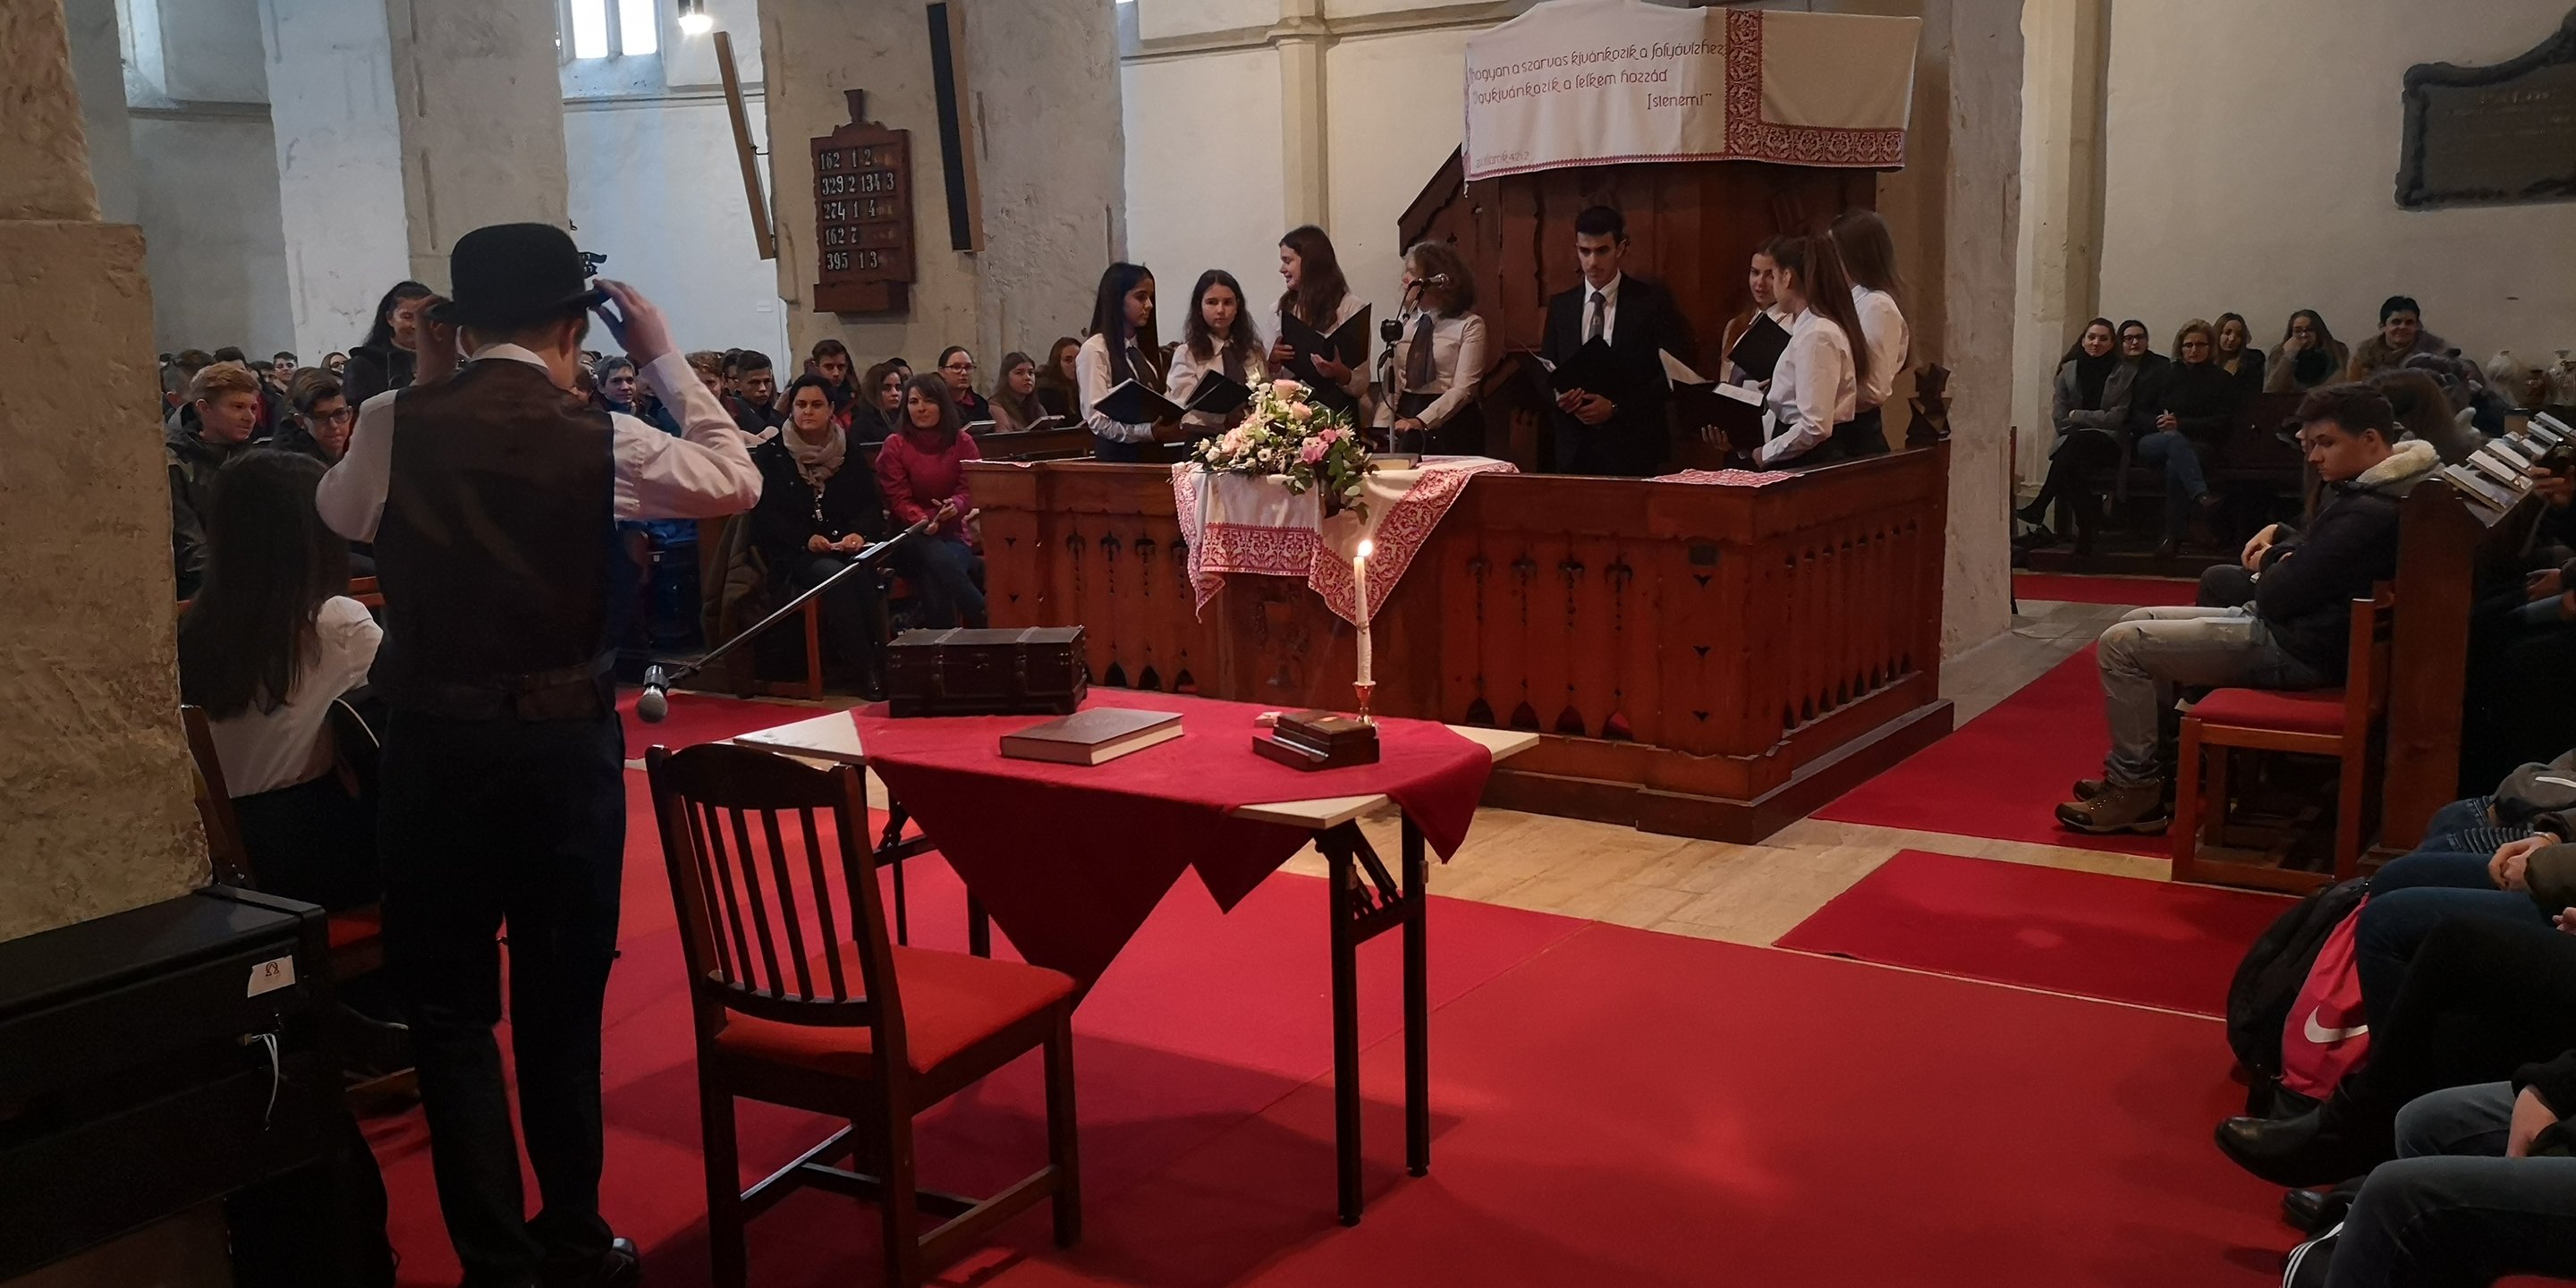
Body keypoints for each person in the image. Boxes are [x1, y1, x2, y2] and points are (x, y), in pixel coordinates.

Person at [314, 224, 758, 1288]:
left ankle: (497, 1263)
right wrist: (663, 357)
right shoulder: (601, 432)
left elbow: (341, 510)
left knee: (449, 1012)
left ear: (459, 327)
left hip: (435, 749)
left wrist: (423, 383)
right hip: (561, 748)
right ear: (575, 326)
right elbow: (735, 481)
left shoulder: (394, 418)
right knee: (562, 1002)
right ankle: (573, 1238)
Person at [2057, 385, 2439, 833]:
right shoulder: (2378, 489)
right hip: (2298, 631)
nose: (2314, 457)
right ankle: (2157, 775)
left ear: (2371, 439)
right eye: (2312, 443)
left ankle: (2135, 789)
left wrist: (2273, 560)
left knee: (2121, 645)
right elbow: (2312, 550)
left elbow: (2277, 594)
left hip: (2298, 649)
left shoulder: (2370, 510)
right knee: (2133, 621)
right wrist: (2286, 547)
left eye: (2326, 443)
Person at [750, 374, 889, 694]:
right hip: (795, 553)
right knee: (834, 575)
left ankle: (883, 661)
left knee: (861, 571)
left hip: (845, 546)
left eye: (816, 405)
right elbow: (766, 516)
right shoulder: (774, 454)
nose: (807, 412)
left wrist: (857, 533)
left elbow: (869, 504)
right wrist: (805, 539)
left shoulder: (847, 450)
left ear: (831, 410)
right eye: (800, 405)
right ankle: (865, 667)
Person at [1537, 206, 1690, 476]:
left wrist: (1616, 407)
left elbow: (1674, 373)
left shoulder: (1650, 303)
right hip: (1575, 446)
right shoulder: (1562, 306)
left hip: (1633, 444)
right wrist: (1560, 397)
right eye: (1585, 251)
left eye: (1602, 251)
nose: (1592, 262)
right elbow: (1548, 368)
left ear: (1621, 248)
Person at [1751, 233, 1875, 470]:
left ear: (1787, 277)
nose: (1772, 286)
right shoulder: (1809, 328)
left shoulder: (1818, 334)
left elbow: (1815, 425)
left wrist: (1766, 453)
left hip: (1813, 458)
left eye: (1773, 276)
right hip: (1803, 450)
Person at [876, 374, 987, 629]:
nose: (921, 408)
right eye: (913, 402)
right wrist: (925, 521)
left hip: (953, 534)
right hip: (909, 536)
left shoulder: (962, 442)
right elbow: (898, 499)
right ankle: (981, 612)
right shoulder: (895, 445)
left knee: (936, 573)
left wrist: (955, 506)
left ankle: (940, 645)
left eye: (928, 401)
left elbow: (970, 489)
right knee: (932, 553)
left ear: (942, 405)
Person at [2019, 318, 2134, 552]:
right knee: (2074, 467)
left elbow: (2115, 418)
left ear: (2112, 343)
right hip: (2073, 440)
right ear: (2083, 340)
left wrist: (2078, 415)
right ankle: (2086, 534)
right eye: (2091, 337)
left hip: (2108, 442)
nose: (2096, 343)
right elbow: (2060, 419)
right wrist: (2088, 418)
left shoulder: (2125, 373)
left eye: (2103, 339)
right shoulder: (2068, 371)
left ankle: (2042, 503)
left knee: (2074, 448)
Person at [2131, 319, 2235, 558]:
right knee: (2173, 441)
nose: (2194, 350)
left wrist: (2182, 424)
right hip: (2154, 442)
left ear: (2210, 347)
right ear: (2180, 347)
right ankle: (2200, 496)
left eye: (2200, 345)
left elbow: (2223, 421)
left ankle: (2171, 535)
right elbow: (2137, 412)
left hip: (2199, 444)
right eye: (2188, 345)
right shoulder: (2162, 374)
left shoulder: (2221, 379)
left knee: (2174, 464)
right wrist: (2157, 422)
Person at [1377, 242, 1487, 455]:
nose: (1404, 279)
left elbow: (1463, 389)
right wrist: (1380, 430)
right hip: (1407, 412)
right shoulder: (1405, 323)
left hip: (1451, 422)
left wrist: (1421, 421)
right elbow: (1394, 385)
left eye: (1412, 272)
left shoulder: (1469, 325)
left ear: (1435, 279)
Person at [169, 361, 266, 598]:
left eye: (253, 408)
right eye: (237, 407)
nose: (249, 417)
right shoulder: (178, 465)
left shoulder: (259, 460)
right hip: (209, 591)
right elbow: (190, 548)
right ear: (204, 408)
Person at [1268, 225, 1369, 418]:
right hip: (1292, 413)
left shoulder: (1351, 307)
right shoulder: (1279, 310)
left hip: (1339, 412)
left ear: (1310, 262)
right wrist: (1273, 362)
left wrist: (1339, 372)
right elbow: (1273, 382)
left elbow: (1361, 383)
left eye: (1287, 261)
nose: (1282, 269)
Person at [1830, 209, 1911, 446]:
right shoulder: (1850, 300)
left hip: (1855, 437)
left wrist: (1820, 398)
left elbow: (1875, 390)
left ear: (1855, 255)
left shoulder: (1877, 306)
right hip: (1840, 429)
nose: (1828, 260)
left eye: (1833, 251)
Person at [1077, 261, 1168, 462]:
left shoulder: (1143, 349)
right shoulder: (1096, 349)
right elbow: (1096, 418)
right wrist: (1145, 431)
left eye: (1150, 297)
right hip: (1118, 461)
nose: (1149, 305)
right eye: (1141, 297)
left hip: (1153, 455)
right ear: (1117, 299)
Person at [1168, 269, 1267, 440]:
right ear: (1199, 307)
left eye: (1228, 302)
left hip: (1250, 439)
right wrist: (1223, 420)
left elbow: (1266, 395)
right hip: (1204, 441)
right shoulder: (1187, 353)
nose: (1221, 310)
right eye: (1212, 302)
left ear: (1238, 306)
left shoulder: (1252, 350)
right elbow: (1182, 410)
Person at [342, 281, 434, 406]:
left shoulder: (450, 360)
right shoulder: (365, 365)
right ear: (390, 318)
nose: (416, 325)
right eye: (407, 317)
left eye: (425, 317)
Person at [1722, 237, 1793, 386]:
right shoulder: (1735, 325)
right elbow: (1724, 380)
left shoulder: (1793, 324)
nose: (1759, 283)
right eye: (1755, 273)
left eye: (1770, 275)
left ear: (1785, 277)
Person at [2347, 294, 2455, 382]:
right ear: (2382, 327)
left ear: (2418, 326)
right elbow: (2352, 390)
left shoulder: (2436, 354)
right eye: (2396, 322)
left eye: (2409, 322)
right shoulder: (2364, 356)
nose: (2403, 327)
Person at [275, 369, 357, 466]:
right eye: (321, 417)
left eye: (340, 414)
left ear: (350, 413)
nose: (333, 425)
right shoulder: (288, 463)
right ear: (301, 421)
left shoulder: (361, 443)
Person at [2267, 309, 2350, 394]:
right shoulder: (2278, 353)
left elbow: (2340, 381)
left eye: (2309, 330)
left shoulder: (2336, 350)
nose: (2304, 335)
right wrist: (2288, 357)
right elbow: (2272, 389)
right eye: (2298, 331)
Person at [987, 351, 1052, 434]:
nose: (1027, 377)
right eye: (1019, 373)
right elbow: (1004, 439)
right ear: (1006, 378)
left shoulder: (1035, 405)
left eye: (1030, 372)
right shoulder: (996, 406)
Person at [727, 349, 783, 436]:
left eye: (767, 381)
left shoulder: (776, 416)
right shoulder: (729, 413)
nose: (763, 388)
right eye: (754, 383)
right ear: (738, 385)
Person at [2213, 312, 2266, 398]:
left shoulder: (2253, 360)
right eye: (2227, 333)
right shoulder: (2207, 361)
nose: (2232, 338)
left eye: (2239, 335)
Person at [854, 360, 905, 444]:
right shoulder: (862, 425)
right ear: (873, 391)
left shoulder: (906, 420)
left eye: (898, 387)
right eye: (886, 388)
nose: (895, 393)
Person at [936, 345, 991, 423]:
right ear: (941, 371)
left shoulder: (980, 404)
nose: (964, 373)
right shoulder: (934, 404)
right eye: (956, 367)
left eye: (968, 367)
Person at [1034, 335, 1082, 420]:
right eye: (1068, 360)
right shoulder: (1047, 392)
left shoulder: (1083, 387)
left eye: (1079, 359)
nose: (1075, 365)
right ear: (1057, 363)